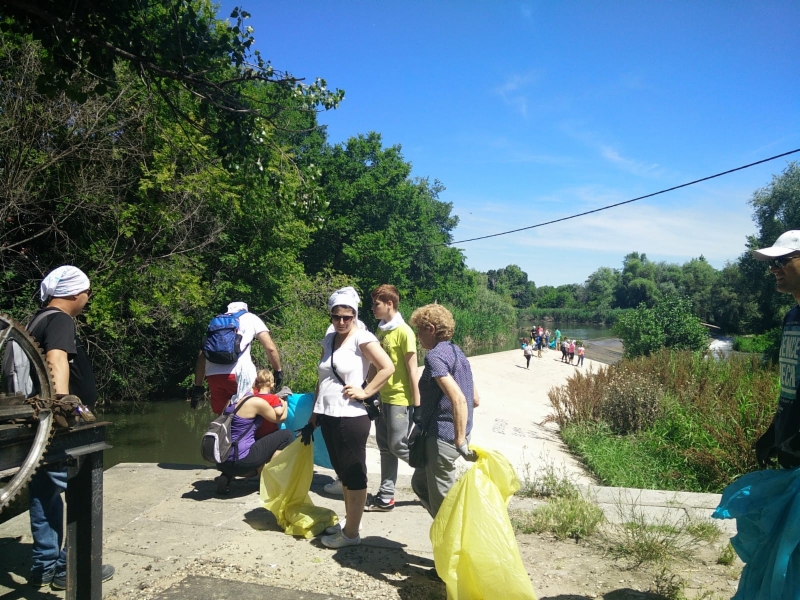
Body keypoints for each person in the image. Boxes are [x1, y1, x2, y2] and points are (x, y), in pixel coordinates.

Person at [25, 266, 115, 589]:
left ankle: (44, 566)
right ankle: (70, 567)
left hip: (36, 423)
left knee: (44, 492)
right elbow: (56, 360)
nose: (88, 299)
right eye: (87, 293)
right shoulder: (61, 319)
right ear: (74, 294)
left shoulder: (37, 319)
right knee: (79, 486)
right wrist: (63, 411)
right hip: (56, 424)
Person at [308, 287, 395, 549]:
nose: (342, 322)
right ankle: (350, 524)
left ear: (355, 315)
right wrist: (314, 414)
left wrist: (365, 391)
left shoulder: (362, 337)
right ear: (331, 316)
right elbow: (322, 380)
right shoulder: (329, 339)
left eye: (347, 316)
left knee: (355, 475)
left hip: (351, 416)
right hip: (328, 414)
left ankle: (351, 534)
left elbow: (387, 367)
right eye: (337, 317)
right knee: (343, 473)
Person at [409, 304, 478, 520]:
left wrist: (458, 441)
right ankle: (446, 533)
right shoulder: (458, 352)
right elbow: (474, 398)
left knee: (444, 506)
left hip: (444, 438)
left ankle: (452, 546)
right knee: (419, 483)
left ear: (430, 329)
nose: (417, 336)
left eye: (419, 330)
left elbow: (458, 399)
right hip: (457, 432)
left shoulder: (435, 357)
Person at [366, 284, 420, 512]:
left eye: (376, 304)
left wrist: (417, 404)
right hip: (383, 397)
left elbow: (412, 369)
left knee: (398, 446)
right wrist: (368, 392)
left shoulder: (404, 331)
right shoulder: (382, 330)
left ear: (390, 304)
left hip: (400, 398)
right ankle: (386, 497)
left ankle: (432, 470)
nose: (373, 309)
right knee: (385, 448)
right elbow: (375, 363)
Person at [754, 231, 800, 470]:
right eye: (772, 263)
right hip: (789, 451)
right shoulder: (792, 317)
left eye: (782, 260)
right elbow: (791, 391)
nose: (773, 269)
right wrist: (775, 431)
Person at [191, 301, 283, 415]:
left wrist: (198, 386)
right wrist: (277, 371)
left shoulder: (216, 321)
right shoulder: (251, 318)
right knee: (248, 414)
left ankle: (222, 433)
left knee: (223, 417)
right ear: (245, 309)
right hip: (240, 375)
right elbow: (270, 348)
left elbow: (202, 356)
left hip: (213, 375)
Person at [214, 379, 292, 493]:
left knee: (245, 441)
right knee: (286, 435)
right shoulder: (255, 402)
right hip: (242, 462)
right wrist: (285, 403)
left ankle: (227, 475)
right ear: (254, 384)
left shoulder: (231, 401)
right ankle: (266, 481)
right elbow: (280, 418)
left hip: (221, 461)